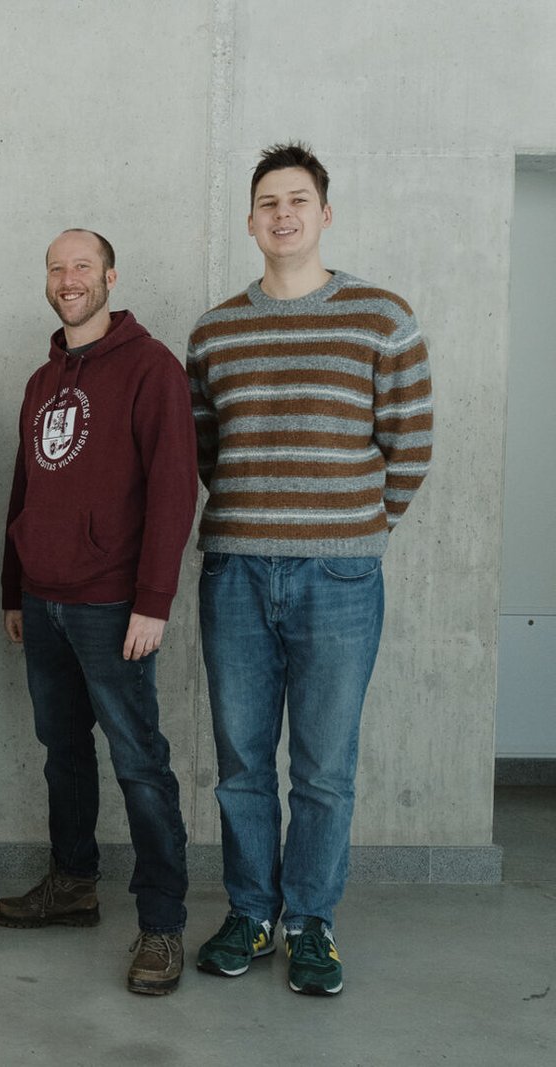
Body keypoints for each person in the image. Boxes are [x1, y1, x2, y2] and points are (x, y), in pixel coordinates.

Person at [188, 143, 433, 996]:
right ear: (250, 220)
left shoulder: (381, 317)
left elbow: (409, 446)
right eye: (268, 202)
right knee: (242, 764)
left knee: (324, 767)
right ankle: (251, 912)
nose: (283, 214)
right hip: (235, 573)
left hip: (340, 579)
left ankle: (311, 922)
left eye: (298, 199)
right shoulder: (215, 331)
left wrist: (352, 528)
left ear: (324, 213)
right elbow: (209, 452)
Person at [0, 229, 198, 995]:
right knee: (63, 751)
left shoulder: (152, 368)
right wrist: (14, 587)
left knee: (139, 761)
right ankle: (73, 882)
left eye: (82, 265)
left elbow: (175, 488)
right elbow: (26, 487)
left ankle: (162, 922)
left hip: (112, 605)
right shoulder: (43, 378)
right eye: (57, 267)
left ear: (110, 276)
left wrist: (153, 601)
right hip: (43, 601)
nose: (68, 278)